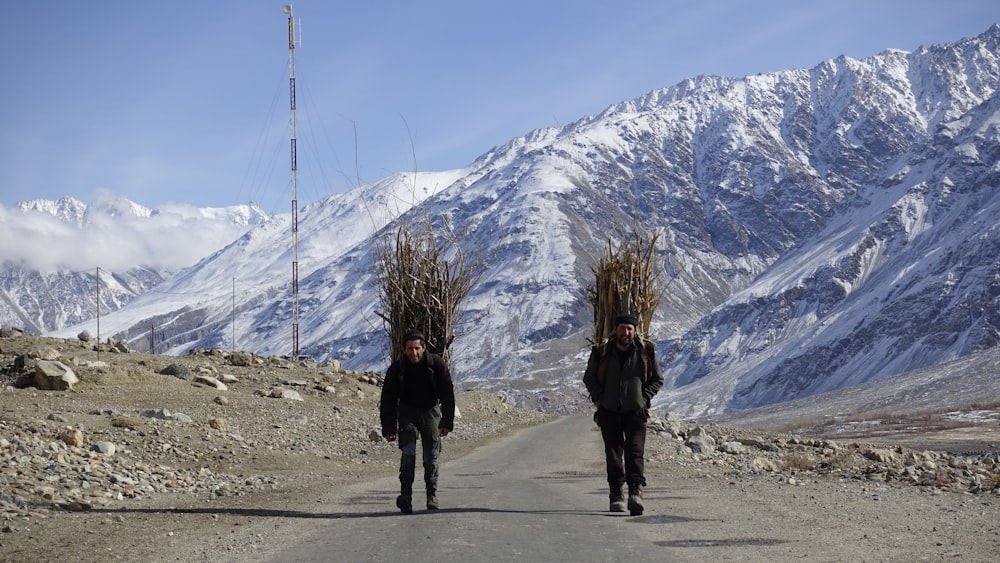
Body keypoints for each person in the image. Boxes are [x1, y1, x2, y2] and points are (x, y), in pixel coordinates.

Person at [583, 313, 663, 516]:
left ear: (635, 331)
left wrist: (643, 399)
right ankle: (616, 494)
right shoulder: (602, 352)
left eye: (629, 328)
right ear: (615, 330)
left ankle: (636, 493)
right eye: (622, 328)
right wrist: (600, 398)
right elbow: (589, 378)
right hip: (609, 411)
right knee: (613, 454)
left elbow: (657, 379)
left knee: (635, 452)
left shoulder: (645, 351)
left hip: (635, 412)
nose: (626, 332)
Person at [380, 330, 456, 514]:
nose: (413, 353)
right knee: (408, 454)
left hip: (431, 412)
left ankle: (432, 495)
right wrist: (389, 427)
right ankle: (406, 496)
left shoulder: (436, 365)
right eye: (410, 349)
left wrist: (447, 420)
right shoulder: (397, 369)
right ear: (404, 350)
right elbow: (388, 399)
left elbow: (447, 392)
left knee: (431, 456)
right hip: (407, 412)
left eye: (417, 349)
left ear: (424, 348)